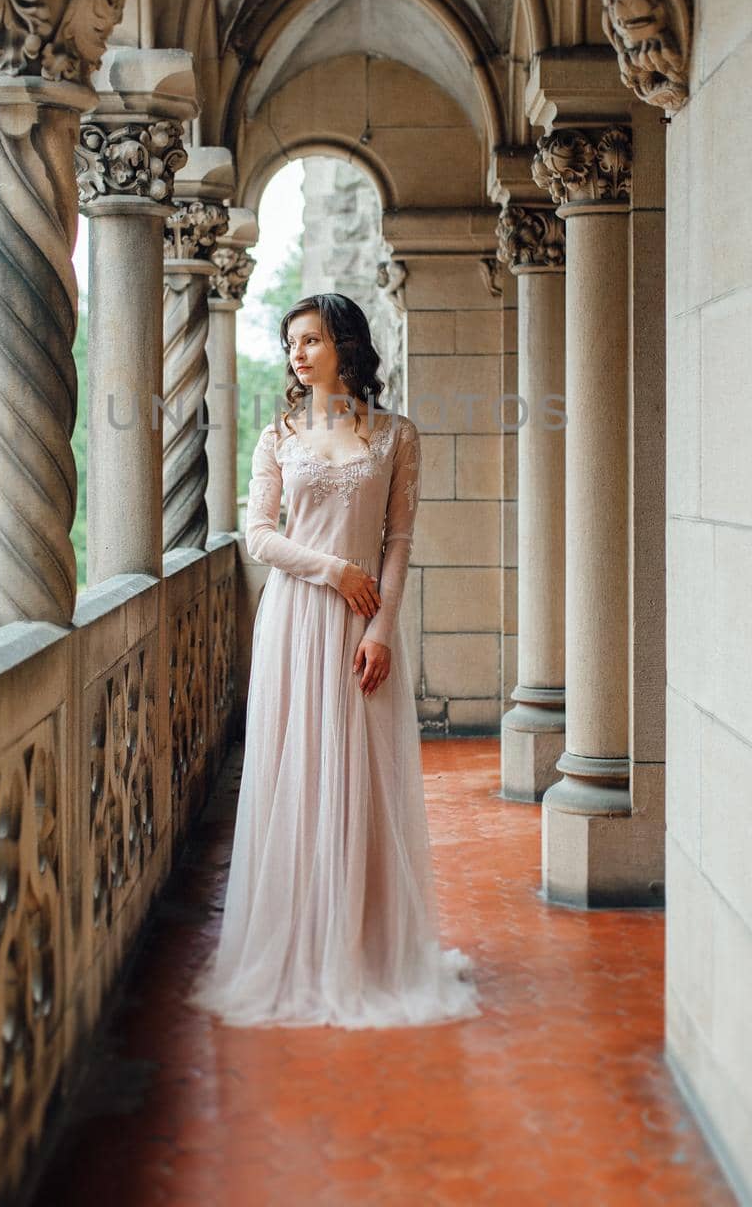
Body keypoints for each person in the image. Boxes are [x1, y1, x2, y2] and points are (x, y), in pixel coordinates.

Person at [188, 293, 480, 1028]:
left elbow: (398, 544)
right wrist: (331, 571)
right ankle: (299, 948)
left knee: (360, 772)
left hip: (362, 627)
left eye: (311, 339)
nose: (297, 353)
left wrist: (380, 625)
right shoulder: (277, 436)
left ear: (344, 347)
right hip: (296, 617)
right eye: (291, 342)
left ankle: (368, 948)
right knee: (299, 768)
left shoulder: (394, 436)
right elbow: (257, 535)